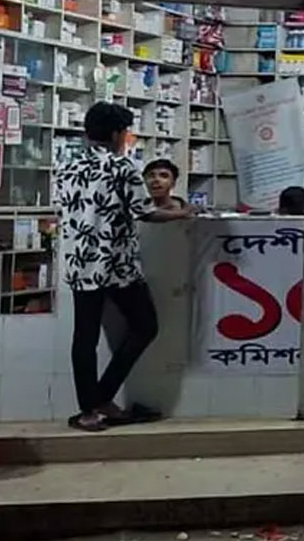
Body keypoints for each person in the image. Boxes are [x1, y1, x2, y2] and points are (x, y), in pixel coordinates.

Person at [57, 103, 192, 432]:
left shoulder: (66, 166)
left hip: (80, 262)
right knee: (145, 326)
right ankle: (102, 396)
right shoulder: (122, 166)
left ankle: (90, 409)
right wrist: (184, 213)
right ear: (117, 134)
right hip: (116, 264)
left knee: (84, 337)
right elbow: (146, 212)